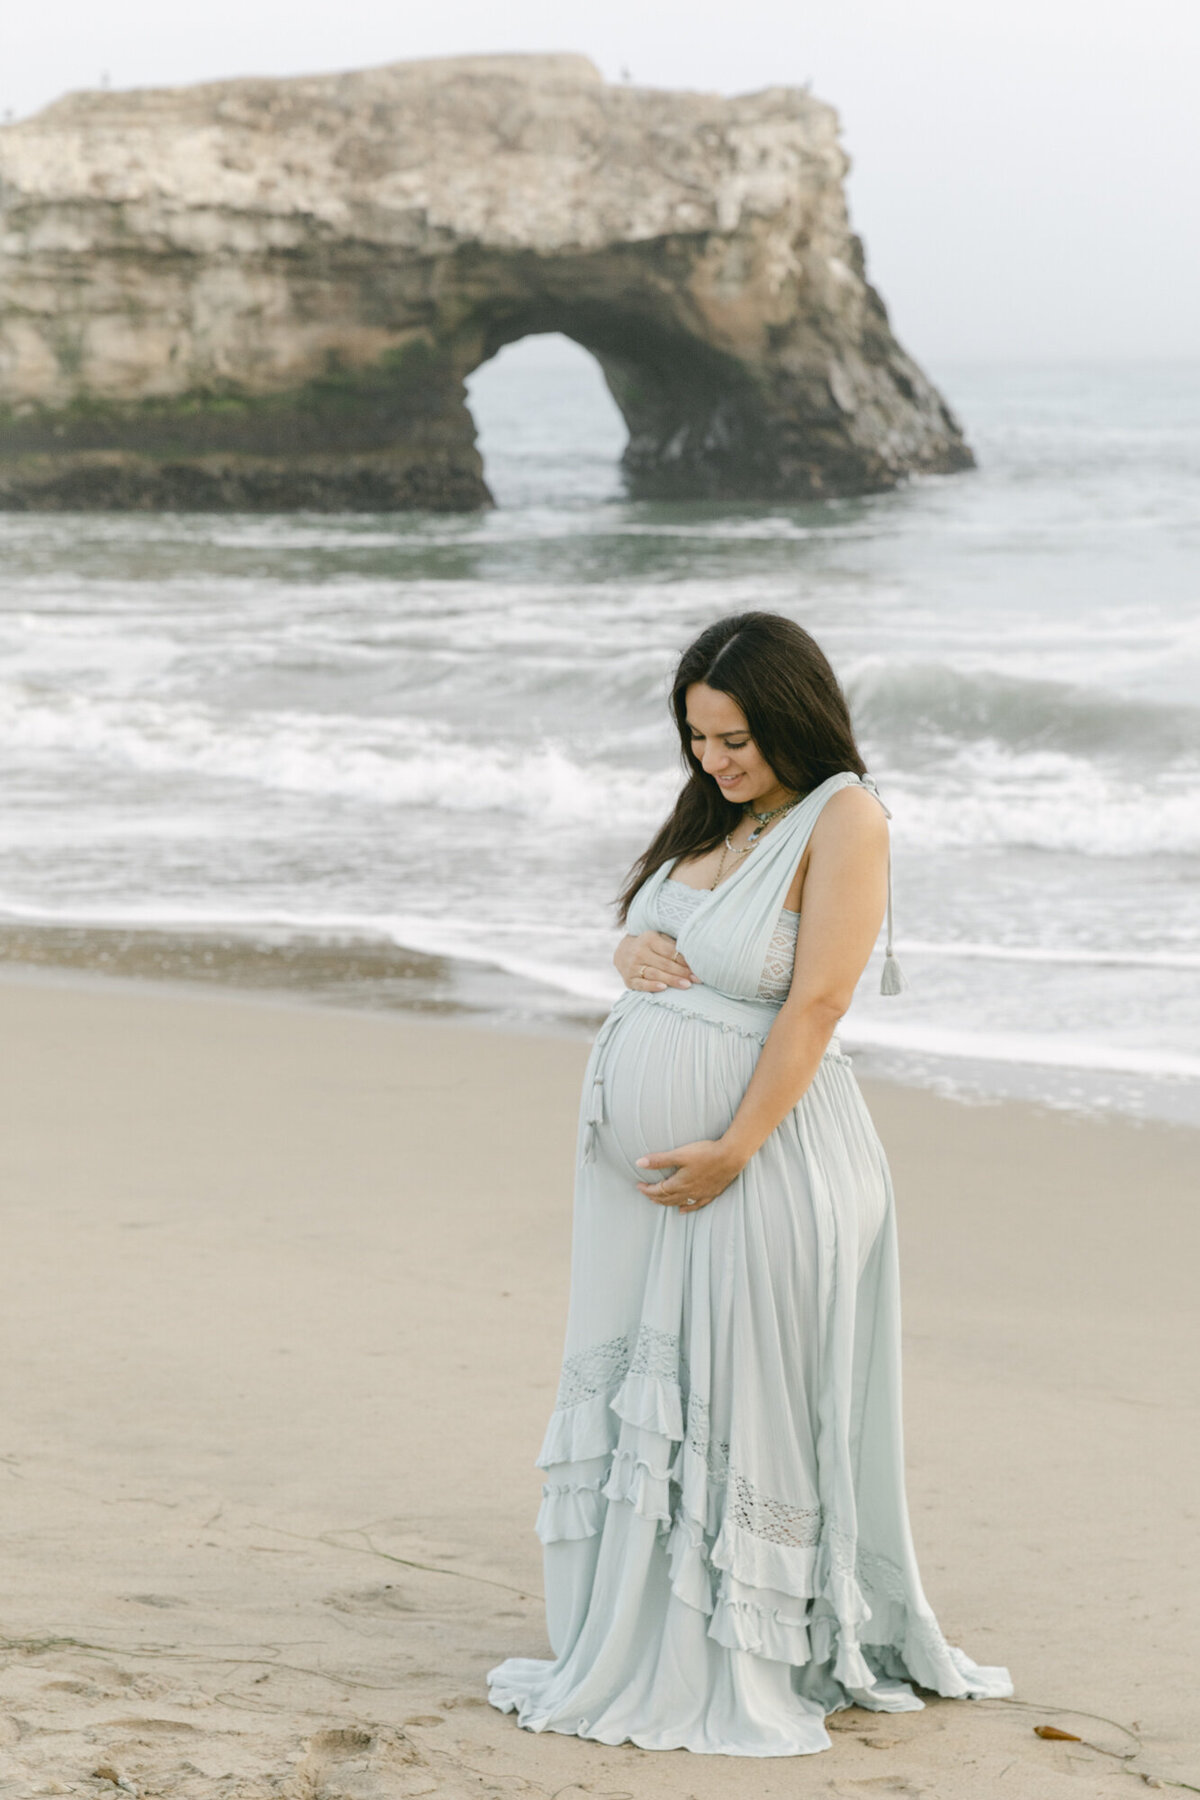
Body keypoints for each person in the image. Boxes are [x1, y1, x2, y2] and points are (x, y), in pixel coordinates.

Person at [488, 611, 1011, 1756]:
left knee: (743, 1409)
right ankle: (646, 1630)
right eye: (697, 739)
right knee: (670, 1398)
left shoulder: (845, 817)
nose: (714, 761)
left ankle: (744, 1645)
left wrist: (734, 1147)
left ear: (790, 717)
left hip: (773, 1163)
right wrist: (628, 950)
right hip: (664, 1190)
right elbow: (661, 930)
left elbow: (819, 1002)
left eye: (735, 738)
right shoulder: (724, 815)